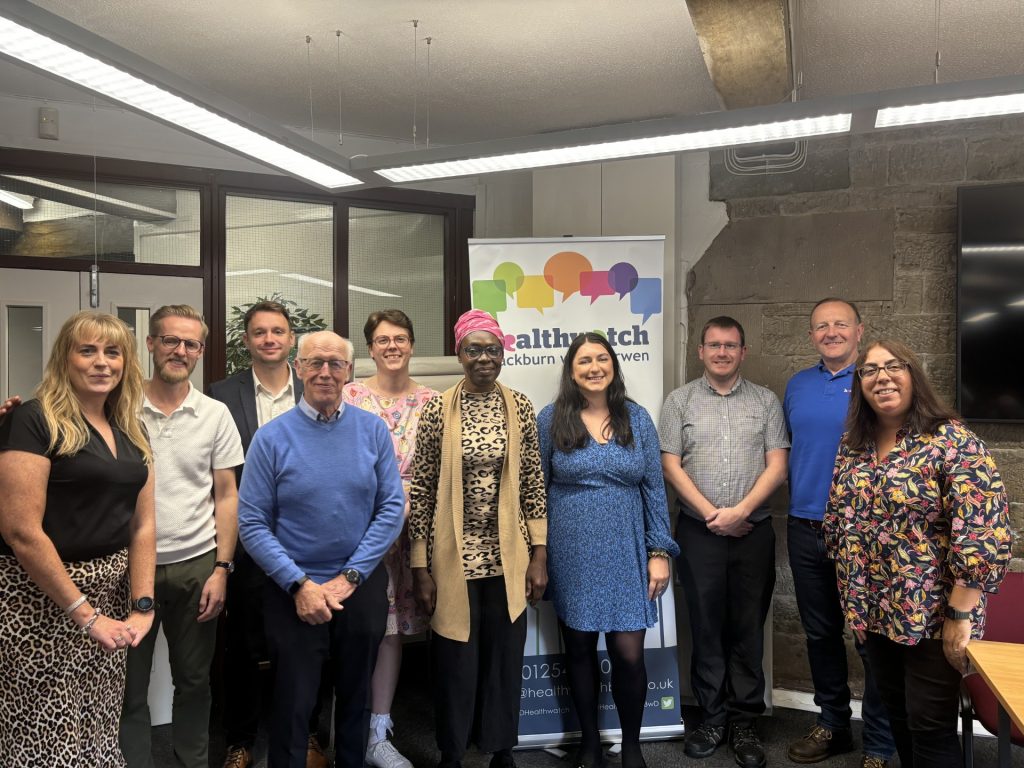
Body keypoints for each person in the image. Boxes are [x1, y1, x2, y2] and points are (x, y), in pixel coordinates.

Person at [824, 339, 1011, 768]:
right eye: (869, 370)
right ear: (859, 385)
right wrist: (856, 610)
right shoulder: (853, 446)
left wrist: (960, 616)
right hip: (874, 611)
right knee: (898, 717)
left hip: (934, 614)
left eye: (894, 366)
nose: (882, 377)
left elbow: (984, 531)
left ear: (913, 376)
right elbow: (840, 526)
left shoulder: (951, 440)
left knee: (930, 726)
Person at [238, 330, 405, 768]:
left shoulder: (371, 430)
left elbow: (390, 508)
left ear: (349, 372)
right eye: (315, 362)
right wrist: (300, 584)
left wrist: (350, 577)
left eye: (335, 364)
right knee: (292, 705)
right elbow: (252, 523)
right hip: (292, 590)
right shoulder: (271, 438)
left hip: (359, 585)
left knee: (356, 698)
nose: (325, 372)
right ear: (298, 368)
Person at [0, 310, 156, 766]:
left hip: (108, 602)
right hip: (39, 601)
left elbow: (143, 524)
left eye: (113, 352)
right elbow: (20, 531)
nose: (102, 362)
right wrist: (85, 616)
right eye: (87, 350)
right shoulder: (32, 419)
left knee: (97, 728)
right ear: (64, 359)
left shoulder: (131, 427)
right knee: (44, 740)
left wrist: (142, 605)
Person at [410, 309, 547, 768]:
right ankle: (451, 751)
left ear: (503, 354)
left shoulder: (520, 406)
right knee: (455, 663)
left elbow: (532, 483)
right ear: (460, 353)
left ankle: (501, 749)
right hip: (453, 559)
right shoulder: (436, 409)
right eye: (474, 350)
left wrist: (539, 555)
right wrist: (419, 565)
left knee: (504, 661)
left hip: (508, 557)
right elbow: (423, 486)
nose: (484, 359)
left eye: (493, 350)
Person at [537, 333, 677, 768]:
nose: (594, 367)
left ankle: (631, 745)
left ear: (613, 365)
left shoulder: (636, 418)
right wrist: (538, 554)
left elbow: (654, 487)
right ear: (571, 370)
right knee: (578, 649)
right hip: (571, 549)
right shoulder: (551, 419)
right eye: (584, 361)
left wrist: (659, 550)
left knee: (628, 654)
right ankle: (589, 743)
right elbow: (536, 492)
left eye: (602, 358)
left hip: (626, 548)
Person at [659, 316, 789, 768]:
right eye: (713, 345)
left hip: (753, 532)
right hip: (699, 534)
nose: (721, 352)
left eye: (730, 345)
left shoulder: (766, 402)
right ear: (700, 351)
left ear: (743, 351)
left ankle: (744, 722)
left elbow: (777, 466)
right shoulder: (679, 402)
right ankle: (712, 718)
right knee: (707, 627)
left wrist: (738, 512)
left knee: (748, 629)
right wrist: (714, 516)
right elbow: (671, 466)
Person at [119, 304, 245, 768]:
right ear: (150, 344)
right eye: (170, 340)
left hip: (197, 564)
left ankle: (193, 761)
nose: (181, 350)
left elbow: (227, 496)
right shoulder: (119, 408)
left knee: (194, 682)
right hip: (131, 567)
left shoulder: (215, 415)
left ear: (200, 351)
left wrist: (222, 568)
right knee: (130, 685)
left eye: (191, 343)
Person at [208, 300, 329, 768]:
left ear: (291, 339)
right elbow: (221, 476)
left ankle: (308, 736)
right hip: (247, 540)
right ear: (247, 341)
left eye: (278, 331)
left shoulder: (318, 386)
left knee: (308, 646)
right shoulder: (222, 393)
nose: (269, 339)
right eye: (259, 332)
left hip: (308, 543)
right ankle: (239, 742)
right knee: (241, 647)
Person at [783, 299, 895, 768]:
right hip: (805, 527)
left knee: (872, 639)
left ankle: (880, 744)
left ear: (858, 330)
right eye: (821, 326)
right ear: (812, 336)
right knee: (820, 634)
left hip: (865, 533)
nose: (831, 332)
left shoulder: (876, 381)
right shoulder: (797, 385)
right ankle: (831, 723)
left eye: (840, 324)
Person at [343, 309, 437, 768]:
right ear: (370, 347)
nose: (392, 346)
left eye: (400, 337)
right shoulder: (349, 397)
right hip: (360, 531)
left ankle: (379, 732)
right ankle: (349, 728)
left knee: (393, 629)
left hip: (417, 535)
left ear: (412, 344)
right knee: (358, 628)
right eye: (382, 339)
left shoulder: (433, 402)